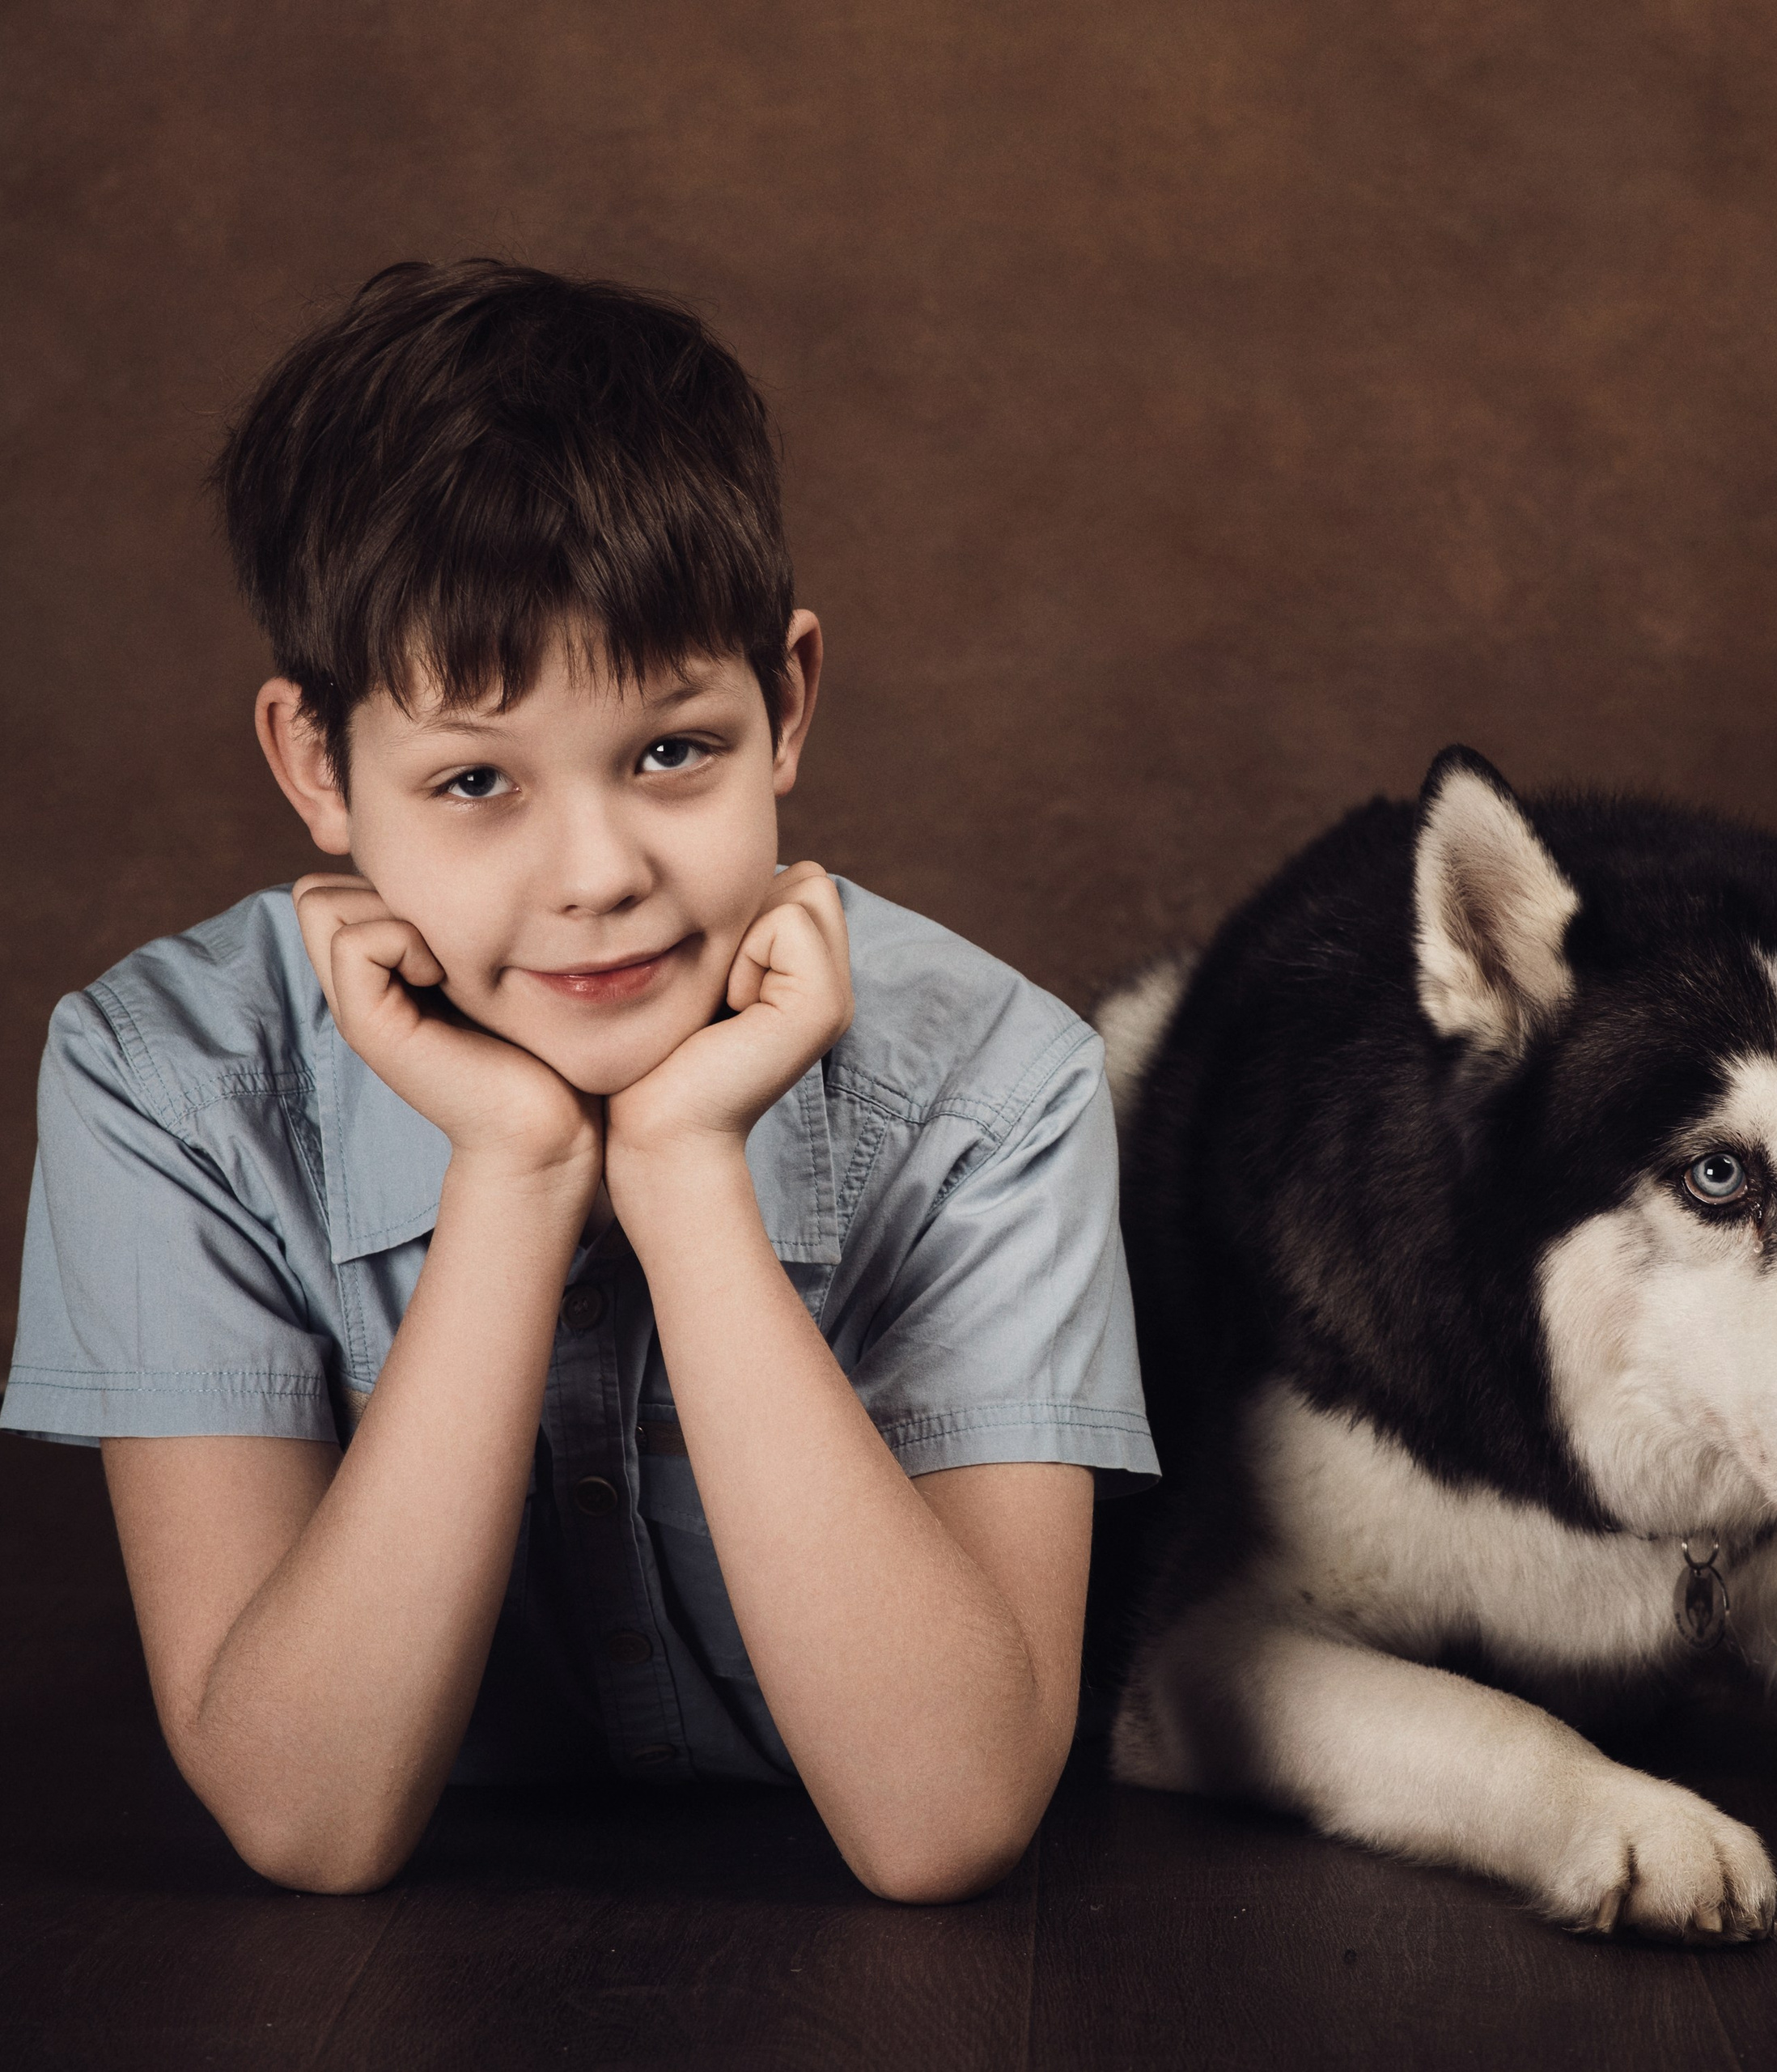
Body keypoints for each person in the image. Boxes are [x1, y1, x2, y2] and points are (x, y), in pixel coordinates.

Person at [2, 260, 1156, 1902]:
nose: (596, 869)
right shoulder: (161, 1080)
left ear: (787, 704)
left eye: (670, 749)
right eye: (475, 776)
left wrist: (685, 1176)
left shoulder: (997, 1081)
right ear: (317, 764)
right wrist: (516, 1171)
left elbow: (946, 1815)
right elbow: (309, 1817)